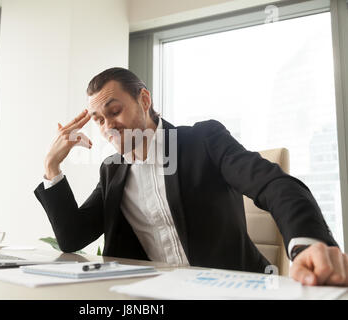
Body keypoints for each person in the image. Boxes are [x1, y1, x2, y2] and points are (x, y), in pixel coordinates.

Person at [34, 67, 348, 286]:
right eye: (99, 120)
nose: (107, 127)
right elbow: (72, 238)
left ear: (144, 101)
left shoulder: (203, 140)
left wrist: (309, 244)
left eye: (114, 112)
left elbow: (272, 183)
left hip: (231, 291)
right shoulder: (112, 170)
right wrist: (51, 166)